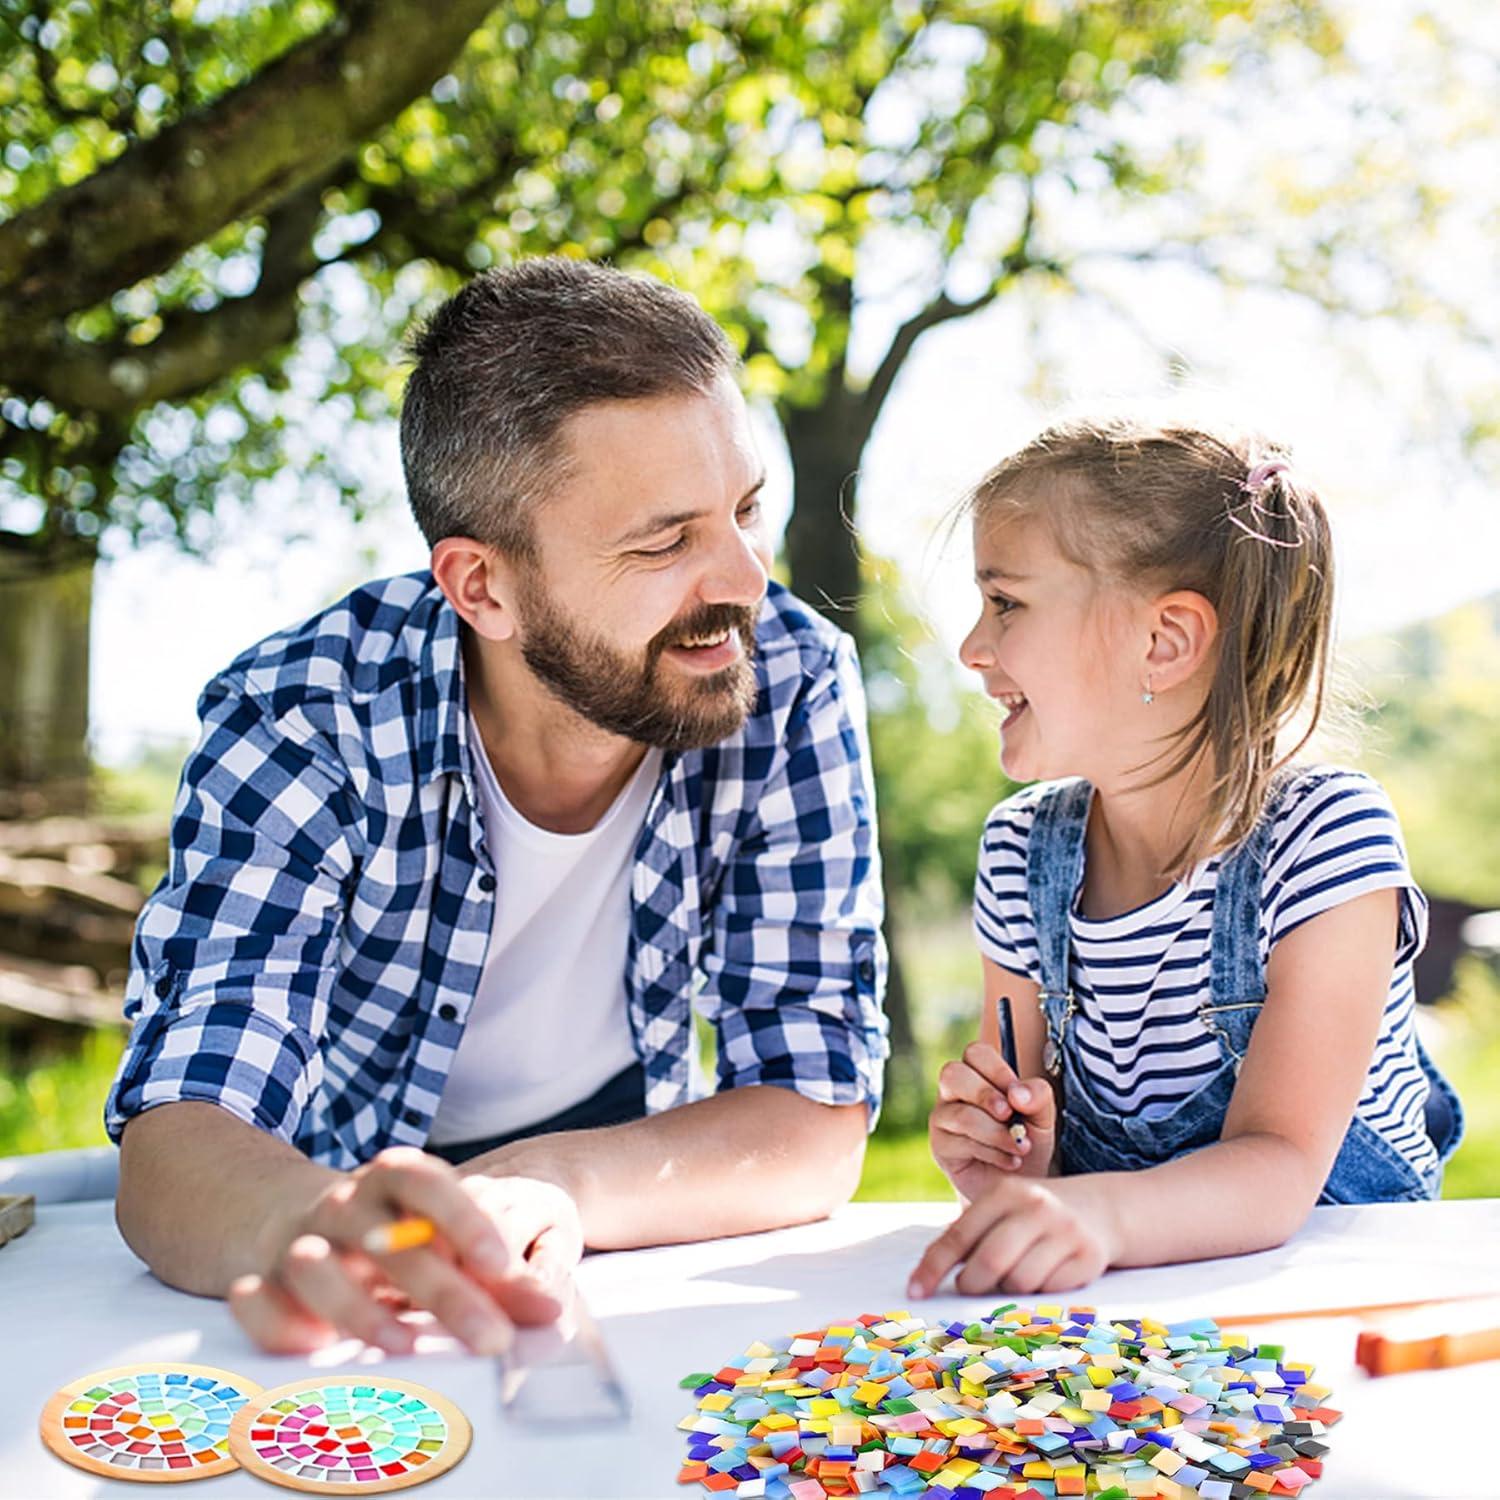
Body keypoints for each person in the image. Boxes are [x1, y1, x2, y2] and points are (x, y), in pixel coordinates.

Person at [107, 257, 888, 1356]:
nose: (748, 578)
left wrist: (547, 1183)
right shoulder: (303, 715)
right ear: (482, 588)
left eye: (748, 509)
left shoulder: (787, 677)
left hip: (624, 1196)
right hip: (346, 1180)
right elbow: (182, 1134)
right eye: (666, 541)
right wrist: (316, 1224)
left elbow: (814, 1117)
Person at [907, 414, 1463, 1300]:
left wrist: (1105, 1215)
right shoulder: (1020, 853)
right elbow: (1033, 1153)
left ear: (1163, 643)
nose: (973, 648)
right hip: (1136, 1314)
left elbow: (1279, 1164)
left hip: (1328, 1296)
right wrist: (1017, 1164)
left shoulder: (1323, 839)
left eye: (1005, 602)